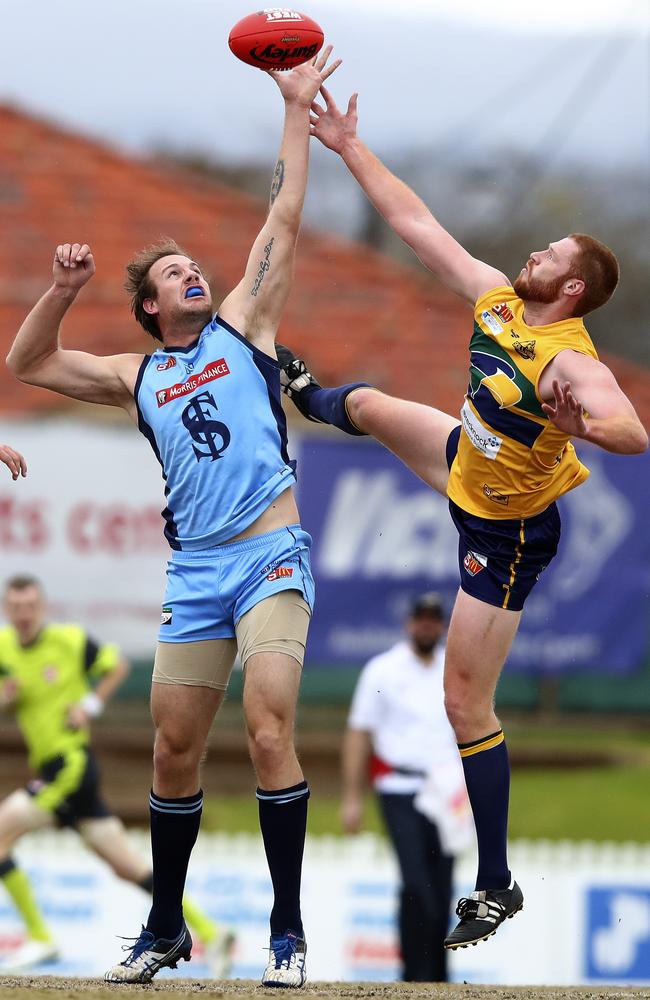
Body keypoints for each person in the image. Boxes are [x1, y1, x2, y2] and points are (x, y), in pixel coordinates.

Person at [276, 85, 649, 951]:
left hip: (508, 532)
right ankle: (296, 386)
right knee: (361, 403)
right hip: (464, 465)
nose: (532, 251)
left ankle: (495, 881)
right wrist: (346, 146)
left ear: (576, 285)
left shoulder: (572, 360)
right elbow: (418, 227)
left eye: (549, 252)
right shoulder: (497, 301)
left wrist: (581, 425)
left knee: (462, 699)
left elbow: (632, 432)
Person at [6, 50, 341, 987]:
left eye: (196, 265)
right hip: (195, 571)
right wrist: (64, 291)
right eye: (176, 274)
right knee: (172, 747)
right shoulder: (135, 374)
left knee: (270, 730)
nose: (195, 275)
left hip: (271, 554)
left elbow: (281, 214)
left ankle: (287, 933)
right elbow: (29, 364)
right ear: (151, 306)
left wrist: (294, 109)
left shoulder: (246, 326)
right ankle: (165, 930)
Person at [0, 575, 234, 977]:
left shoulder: (70, 641)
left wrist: (89, 705)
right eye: (15, 607)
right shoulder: (4, 647)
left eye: (29, 606)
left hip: (70, 767)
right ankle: (212, 930)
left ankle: (40, 936)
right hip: (56, 772)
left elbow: (116, 665)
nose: (23, 615)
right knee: (127, 867)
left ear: (41, 607)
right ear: (8, 609)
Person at [342, 592, 471, 982]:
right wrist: (352, 797)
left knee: (444, 885)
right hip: (399, 786)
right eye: (422, 619)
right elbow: (359, 733)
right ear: (409, 623)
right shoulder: (383, 670)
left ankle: (438, 978)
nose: (427, 626)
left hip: (447, 789)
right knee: (416, 882)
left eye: (435, 619)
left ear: (443, 625)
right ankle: (413, 976)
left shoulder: (456, 668)